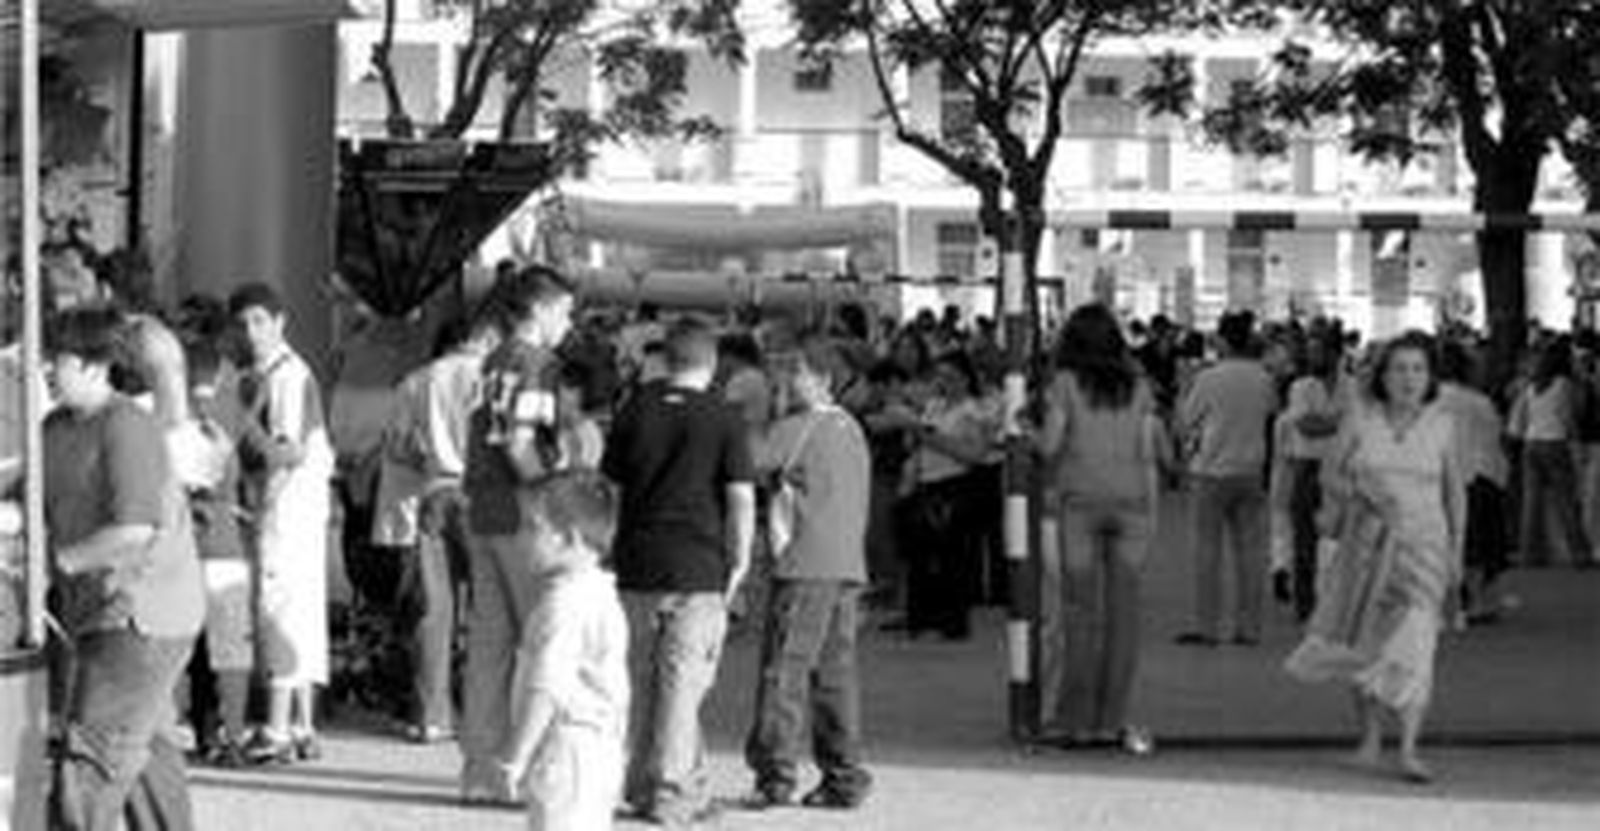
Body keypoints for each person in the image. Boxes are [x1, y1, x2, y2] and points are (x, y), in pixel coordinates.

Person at [42, 306, 205, 829]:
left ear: (95, 367)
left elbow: (134, 531)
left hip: (141, 617)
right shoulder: (55, 426)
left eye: (59, 361)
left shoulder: (126, 427)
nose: (47, 370)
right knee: (147, 753)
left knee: (92, 756)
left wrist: (56, 563)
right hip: (100, 611)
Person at [1285, 332, 1465, 785]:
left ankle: (1407, 749)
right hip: (1367, 547)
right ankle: (1368, 742)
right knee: (1365, 642)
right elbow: (1330, 475)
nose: (1409, 379)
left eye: (1418, 369)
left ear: (1430, 377)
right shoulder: (1361, 420)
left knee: (1418, 642)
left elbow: (1455, 491)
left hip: (1425, 548)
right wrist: (1364, 495)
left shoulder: (1444, 423)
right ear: (1382, 376)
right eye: (1399, 369)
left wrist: (1458, 549)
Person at [602, 315, 756, 827]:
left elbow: (611, 490)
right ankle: (671, 794)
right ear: (713, 365)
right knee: (683, 683)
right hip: (698, 565)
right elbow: (740, 500)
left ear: (666, 358)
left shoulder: (633, 409)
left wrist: (605, 548)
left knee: (643, 678)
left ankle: (653, 782)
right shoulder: (724, 417)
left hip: (637, 560)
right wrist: (742, 559)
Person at [459, 265, 581, 802]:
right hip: (522, 504)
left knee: (489, 643)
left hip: (481, 500)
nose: (569, 322)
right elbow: (519, 442)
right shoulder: (538, 364)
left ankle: (479, 772)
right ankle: (530, 768)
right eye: (565, 311)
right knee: (544, 638)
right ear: (541, 309)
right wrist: (553, 493)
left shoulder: (493, 358)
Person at [742, 338, 873, 810]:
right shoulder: (851, 428)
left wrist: (767, 414)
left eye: (793, 373)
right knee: (835, 672)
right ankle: (844, 773)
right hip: (845, 563)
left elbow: (751, 462)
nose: (784, 382)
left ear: (820, 380)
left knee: (786, 668)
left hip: (803, 562)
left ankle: (774, 772)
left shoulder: (796, 426)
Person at [1034, 304, 1166, 754]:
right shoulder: (1141, 387)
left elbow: (1051, 444)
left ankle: (1076, 723)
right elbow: (1150, 455)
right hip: (1132, 509)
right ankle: (1112, 721)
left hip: (1080, 507)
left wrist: (1022, 432)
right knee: (1124, 621)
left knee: (1080, 616)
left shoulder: (1064, 385)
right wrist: (1153, 517)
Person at [228, 282, 336, 764]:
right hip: (299, 506)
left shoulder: (287, 376)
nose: (251, 332)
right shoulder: (276, 372)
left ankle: (276, 727)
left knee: (280, 610)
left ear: (280, 322)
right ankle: (300, 724)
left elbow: (286, 451)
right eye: (244, 323)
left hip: (287, 507)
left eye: (259, 321)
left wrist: (240, 432)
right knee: (301, 608)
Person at [494, 470, 629, 831]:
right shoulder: (599, 592)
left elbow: (547, 686)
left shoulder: (565, 605)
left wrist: (515, 756)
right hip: (598, 751)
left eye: (532, 528)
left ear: (569, 538)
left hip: (567, 751)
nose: (521, 537)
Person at [1175, 311, 1278, 647]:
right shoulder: (1264, 377)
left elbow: (1186, 422)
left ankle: (1207, 628)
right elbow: (1270, 414)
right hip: (1251, 471)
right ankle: (1248, 629)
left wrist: (1184, 388)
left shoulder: (1209, 378)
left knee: (1207, 551)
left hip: (1212, 472)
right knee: (1250, 554)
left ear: (1222, 339)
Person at [174, 339, 255, 765]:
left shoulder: (165, 419)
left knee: (176, 645)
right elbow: (266, 454)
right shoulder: (233, 412)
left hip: (182, 547)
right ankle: (235, 737)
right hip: (225, 543)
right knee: (231, 649)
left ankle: (169, 735)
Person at [1280, 327, 1350, 621]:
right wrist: (1340, 423)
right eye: (1311, 350)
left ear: (1336, 354)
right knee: (1305, 540)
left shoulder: (1354, 386)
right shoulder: (1301, 387)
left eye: (1319, 350)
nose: (1313, 356)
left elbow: (1358, 428)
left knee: (1347, 539)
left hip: (1345, 469)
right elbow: (1305, 426)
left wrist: (1329, 423)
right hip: (1308, 468)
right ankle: (1305, 605)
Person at [1507, 336, 1591, 568]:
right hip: (1555, 444)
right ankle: (1580, 555)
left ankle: (1529, 556)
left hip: (1531, 445)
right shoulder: (1564, 384)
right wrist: (1576, 444)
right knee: (1567, 503)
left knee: (1531, 505)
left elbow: (1523, 418)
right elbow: (1567, 418)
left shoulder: (1534, 385)